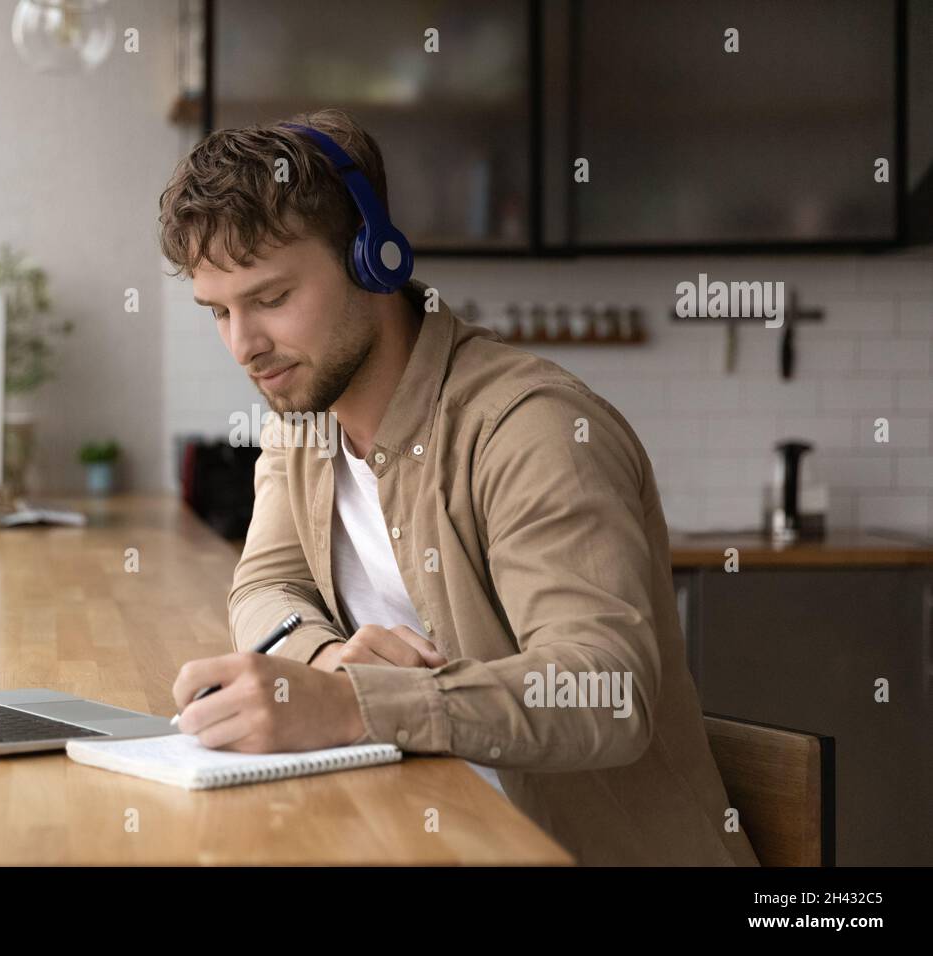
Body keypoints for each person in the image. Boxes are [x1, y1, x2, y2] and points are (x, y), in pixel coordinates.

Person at [158, 108, 758, 866]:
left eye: (271, 299)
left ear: (372, 260)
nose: (244, 346)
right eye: (219, 311)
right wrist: (324, 667)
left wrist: (354, 707)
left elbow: (604, 690)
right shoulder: (305, 417)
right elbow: (264, 587)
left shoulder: (531, 427)